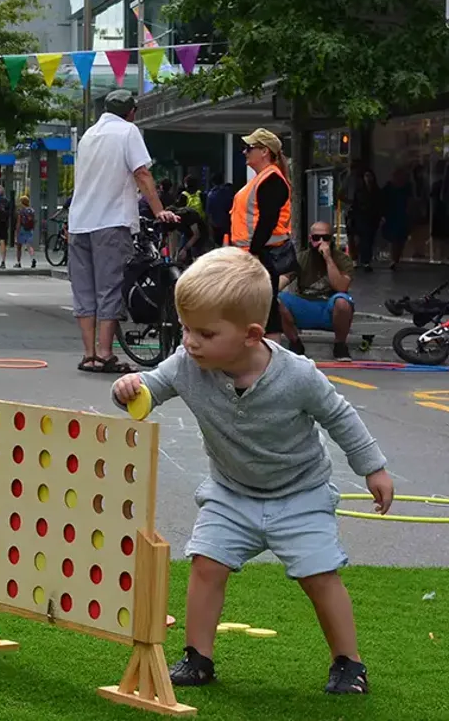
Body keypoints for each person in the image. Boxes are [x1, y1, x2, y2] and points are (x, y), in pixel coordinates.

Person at [112, 247, 392, 696]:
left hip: (300, 492)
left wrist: (373, 468)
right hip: (231, 492)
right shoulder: (188, 365)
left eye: (205, 332)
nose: (190, 342)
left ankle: (348, 663)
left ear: (252, 334)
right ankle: (197, 657)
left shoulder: (297, 375)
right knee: (206, 564)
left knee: (318, 574)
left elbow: (340, 416)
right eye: (185, 328)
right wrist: (128, 387)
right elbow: (149, 388)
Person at [69, 90, 178, 374]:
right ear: (131, 112)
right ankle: (105, 355)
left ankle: (88, 354)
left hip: (79, 222)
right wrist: (158, 211)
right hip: (109, 221)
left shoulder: (89, 135)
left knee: (84, 290)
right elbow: (142, 173)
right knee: (109, 288)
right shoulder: (128, 131)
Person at [231, 128, 295, 341]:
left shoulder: (271, 180)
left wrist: (255, 253)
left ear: (265, 151)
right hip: (255, 254)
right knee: (260, 306)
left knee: (265, 308)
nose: (244, 152)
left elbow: (267, 220)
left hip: (263, 254)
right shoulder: (263, 179)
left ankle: (270, 358)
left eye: (249, 148)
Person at [279, 222, 356, 362]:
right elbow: (284, 278)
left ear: (331, 239)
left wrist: (328, 259)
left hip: (330, 307)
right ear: (310, 239)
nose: (320, 242)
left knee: (343, 301)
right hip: (305, 305)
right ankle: (295, 343)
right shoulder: (302, 257)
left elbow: (341, 287)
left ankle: (340, 345)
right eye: (316, 238)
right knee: (277, 299)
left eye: (325, 238)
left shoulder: (342, 259)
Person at [14, 194, 37, 269]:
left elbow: (18, 222)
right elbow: (34, 221)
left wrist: (16, 233)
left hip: (22, 229)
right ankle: (33, 258)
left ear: (22, 202)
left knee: (19, 247)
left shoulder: (21, 211)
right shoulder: (32, 210)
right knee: (29, 245)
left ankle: (18, 262)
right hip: (30, 229)